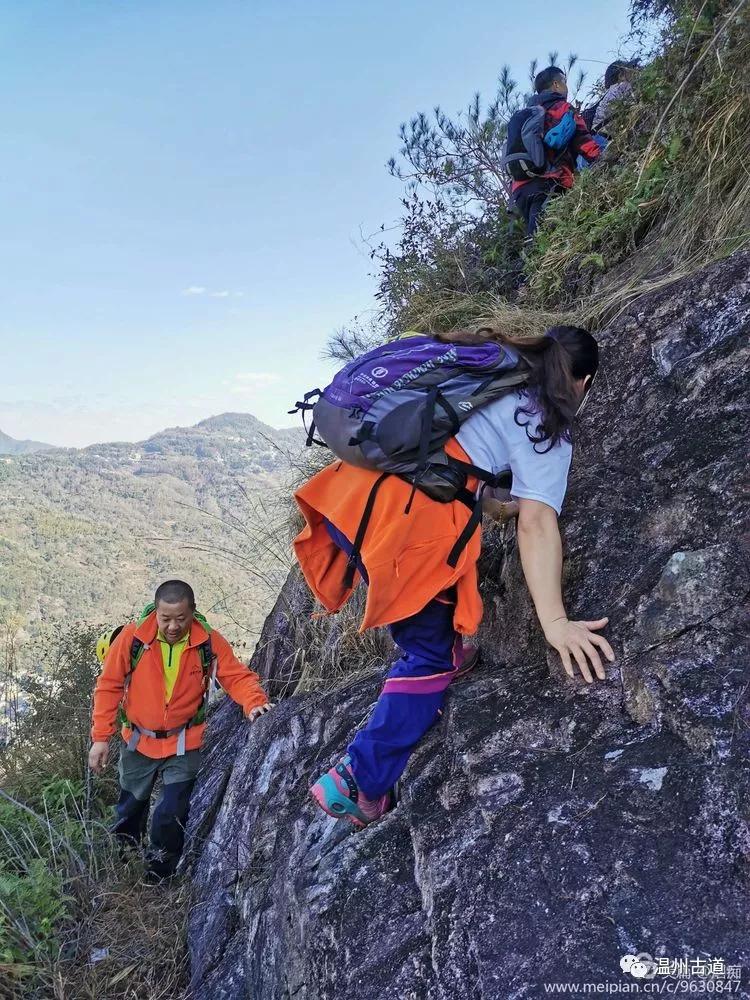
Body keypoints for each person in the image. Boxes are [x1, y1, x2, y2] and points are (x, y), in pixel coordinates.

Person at [293, 325, 614, 829]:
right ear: (585, 381)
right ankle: (360, 781)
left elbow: (442, 446)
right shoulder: (543, 419)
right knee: (426, 656)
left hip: (351, 496)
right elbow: (538, 523)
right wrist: (555, 623)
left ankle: (450, 652)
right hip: (399, 525)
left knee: (433, 625)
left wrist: (484, 498)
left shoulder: (488, 369)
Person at [89, 579, 272, 879]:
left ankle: (159, 875)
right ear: (156, 613)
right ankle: (123, 866)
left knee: (171, 812)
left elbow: (236, 676)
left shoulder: (207, 641)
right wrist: (100, 738)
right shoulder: (133, 638)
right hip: (137, 740)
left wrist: (254, 703)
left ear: (193, 612)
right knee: (130, 809)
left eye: (181, 618)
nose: (173, 626)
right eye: (166, 619)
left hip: (184, 743)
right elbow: (108, 686)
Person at [512, 66, 602, 236]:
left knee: (537, 236)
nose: (566, 87)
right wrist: (604, 160)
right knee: (543, 239)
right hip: (549, 182)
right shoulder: (562, 108)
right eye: (564, 82)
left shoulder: (525, 115)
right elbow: (583, 141)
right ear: (556, 85)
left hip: (520, 187)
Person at [578, 61, 637, 169]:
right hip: (603, 143)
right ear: (621, 75)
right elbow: (637, 105)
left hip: (592, 144)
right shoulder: (622, 86)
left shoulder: (608, 94)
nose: (634, 71)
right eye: (630, 69)